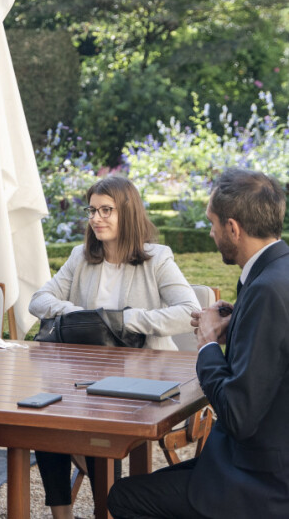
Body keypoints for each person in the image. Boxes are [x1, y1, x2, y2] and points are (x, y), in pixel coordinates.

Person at [108, 168, 289, 519]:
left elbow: (238, 416)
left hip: (261, 483)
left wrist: (207, 343)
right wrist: (238, 321)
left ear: (233, 228)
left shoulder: (266, 291)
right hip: (258, 462)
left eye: (212, 222)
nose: (210, 231)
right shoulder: (275, 274)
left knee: (124, 497)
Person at [29, 175, 200, 519]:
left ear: (128, 213)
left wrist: (123, 320)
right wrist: (81, 314)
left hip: (141, 375)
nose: (96, 218)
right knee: (44, 419)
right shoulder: (81, 257)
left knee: (97, 423)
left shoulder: (157, 258)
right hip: (82, 371)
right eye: (92, 210)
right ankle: (61, 515)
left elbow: (189, 312)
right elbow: (39, 300)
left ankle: (103, 511)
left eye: (106, 210)